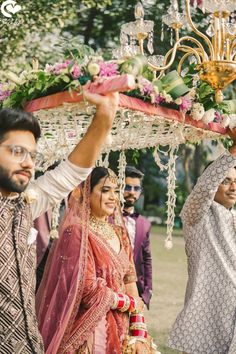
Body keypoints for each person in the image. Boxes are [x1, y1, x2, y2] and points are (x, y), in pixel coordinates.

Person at [0, 82, 119, 354]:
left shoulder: (23, 204)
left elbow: (70, 173)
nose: (29, 163)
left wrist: (104, 119)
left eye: (32, 155)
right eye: (17, 152)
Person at [36, 167, 157, 354]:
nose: (113, 197)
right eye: (105, 190)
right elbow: (88, 289)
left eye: (115, 191)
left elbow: (130, 280)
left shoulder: (119, 233)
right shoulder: (76, 232)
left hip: (122, 328)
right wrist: (131, 303)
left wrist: (138, 328)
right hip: (93, 330)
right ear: (87, 193)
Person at [168, 129, 236, 354]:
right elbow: (204, 189)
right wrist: (233, 152)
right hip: (209, 316)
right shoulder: (196, 215)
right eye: (226, 181)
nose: (233, 187)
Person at [123, 166, 153, 309]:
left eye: (136, 189)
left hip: (135, 289)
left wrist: (148, 290)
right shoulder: (105, 217)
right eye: (127, 187)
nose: (132, 192)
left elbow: (147, 258)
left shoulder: (144, 224)